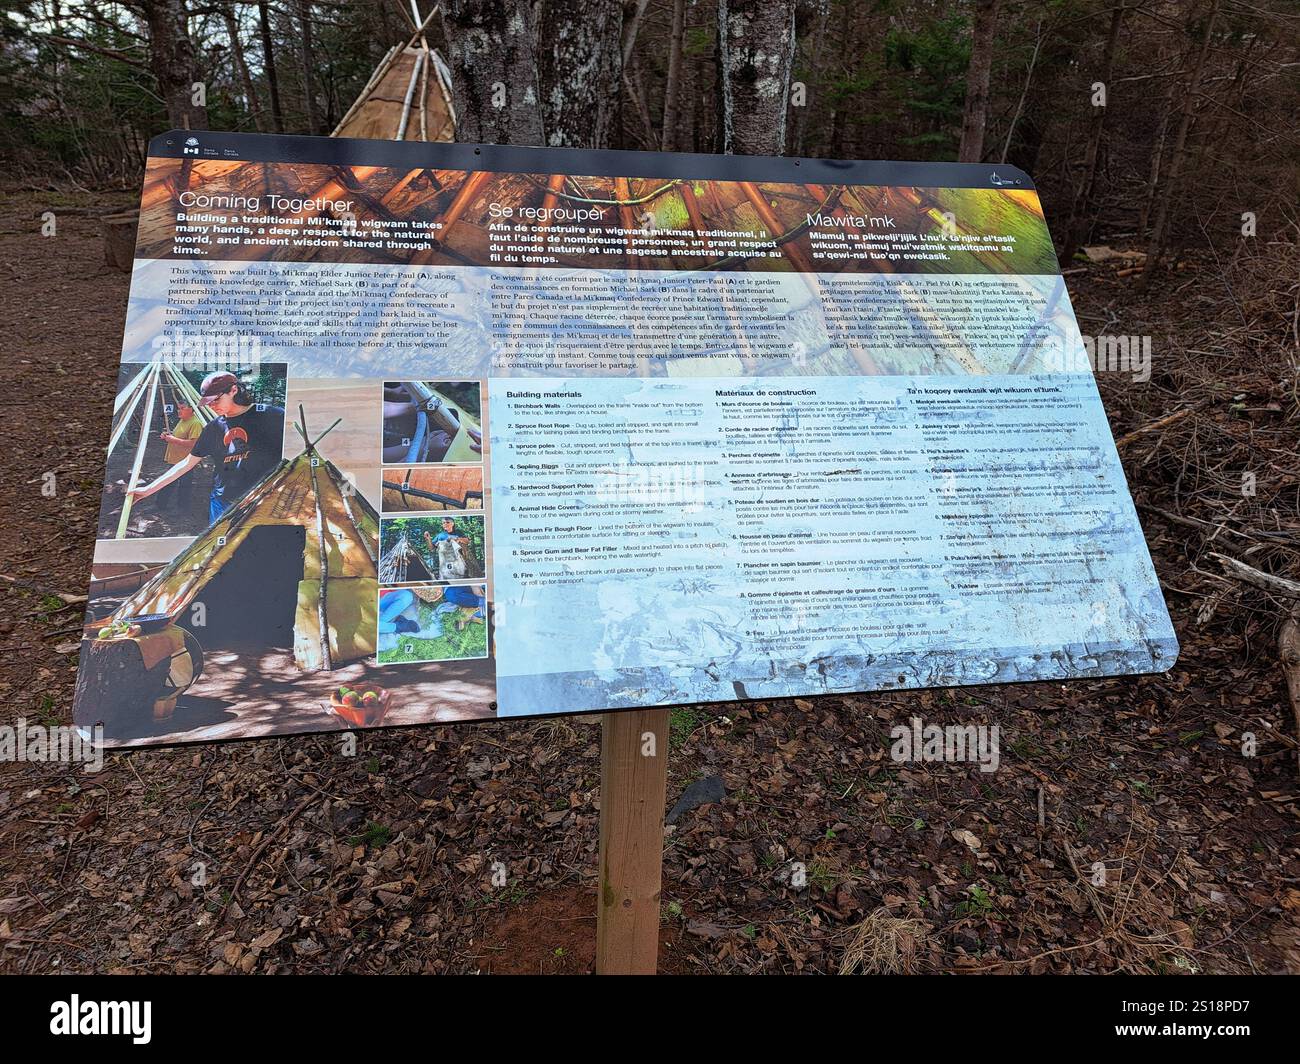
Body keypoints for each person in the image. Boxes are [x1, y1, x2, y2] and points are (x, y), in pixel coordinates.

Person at [129, 371, 284, 524]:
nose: (211, 406)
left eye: (215, 400)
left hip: (264, 501)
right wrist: (147, 490)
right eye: (208, 402)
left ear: (234, 390)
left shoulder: (273, 417)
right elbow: (186, 463)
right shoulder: (214, 428)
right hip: (222, 504)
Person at [157, 402, 203, 514]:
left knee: (184, 485)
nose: (179, 410)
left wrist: (173, 440)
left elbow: (194, 443)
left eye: (182, 408)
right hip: (175, 459)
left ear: (191, 409)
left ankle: (182, 509)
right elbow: (179, 435)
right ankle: (160, 505)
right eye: (178, 408)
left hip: (186, 461)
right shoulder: (183, 420)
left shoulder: (195, 423)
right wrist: (168, 435)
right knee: (167, 482)